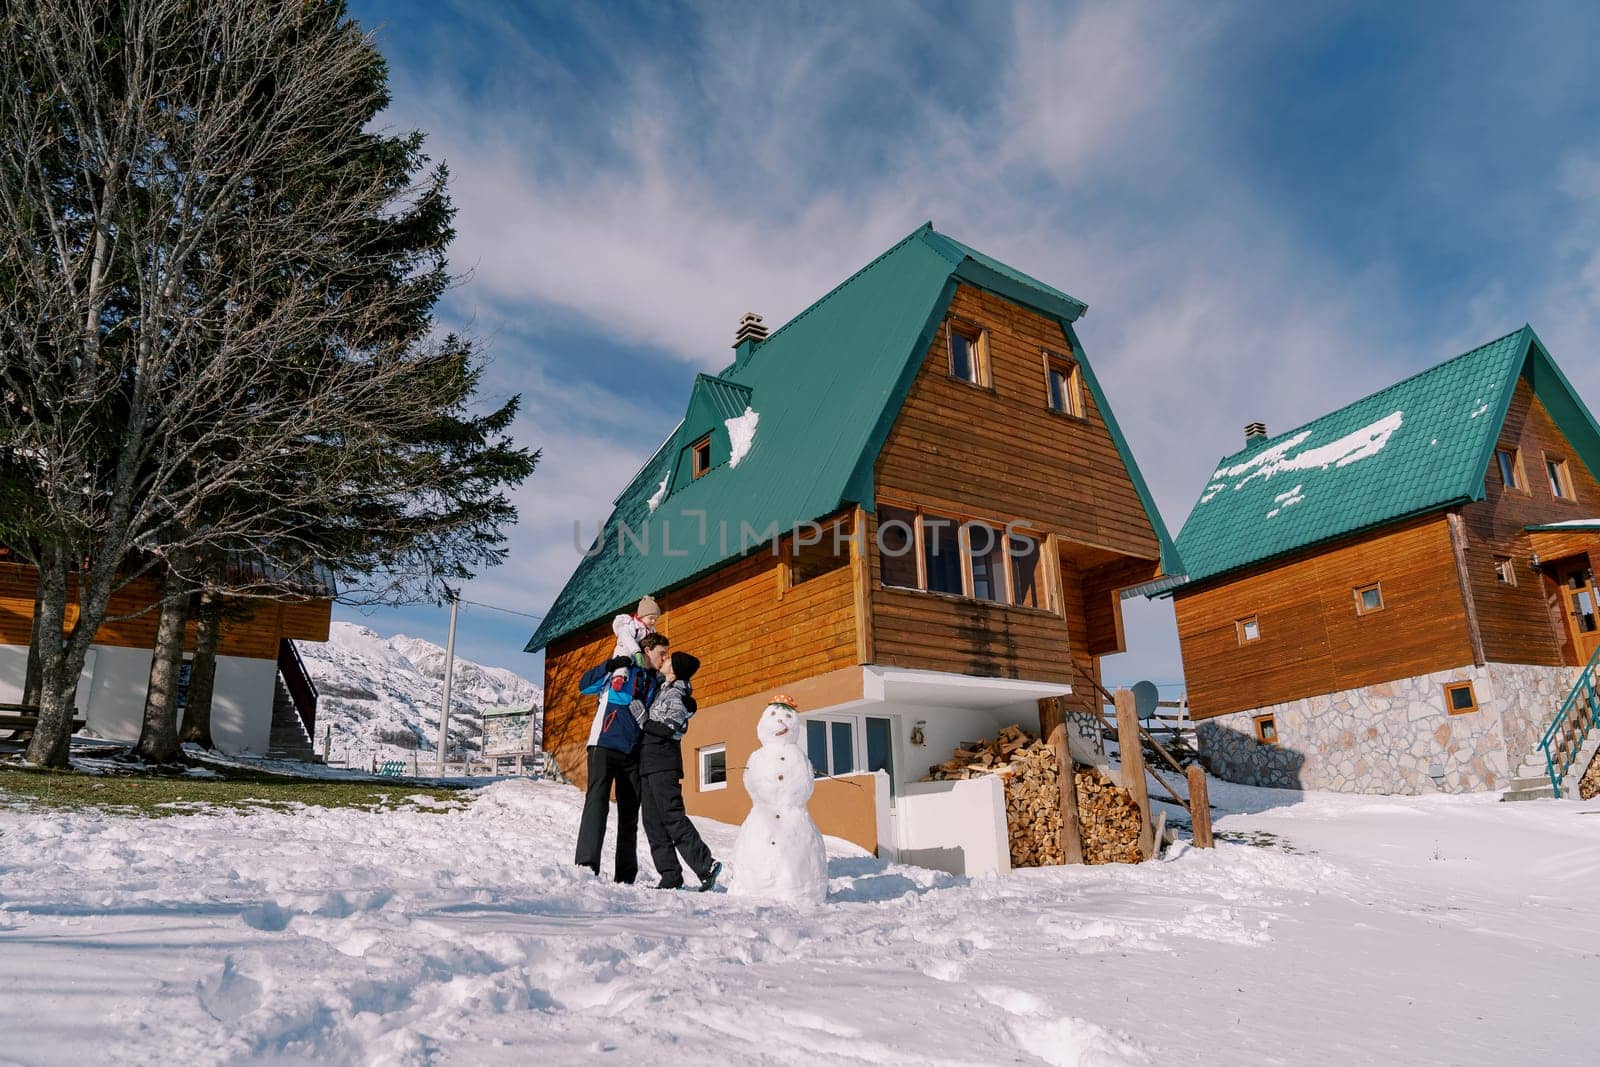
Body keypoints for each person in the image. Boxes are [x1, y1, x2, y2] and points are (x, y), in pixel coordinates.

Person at [573, 632, 669, 882]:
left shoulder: (655, 682)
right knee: (597, 804)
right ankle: (586, 864)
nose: (664, 658)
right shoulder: (621, 668)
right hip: (603, 744)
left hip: (632, 752)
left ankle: (626, 875)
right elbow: (584, 686)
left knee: (629, 815)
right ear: (647, 651)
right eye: (662, 653)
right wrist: (609, 665)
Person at [638, 651, 722, 891]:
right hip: (649, 763)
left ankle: (707, 866)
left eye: (668, 660)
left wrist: (644, 721)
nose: (663, 661)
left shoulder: (676, 693)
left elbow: (671, 727)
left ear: (675, 669)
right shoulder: (666, 688)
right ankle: (670, 875)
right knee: (653, 822)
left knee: (672, 817)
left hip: (663, 764)